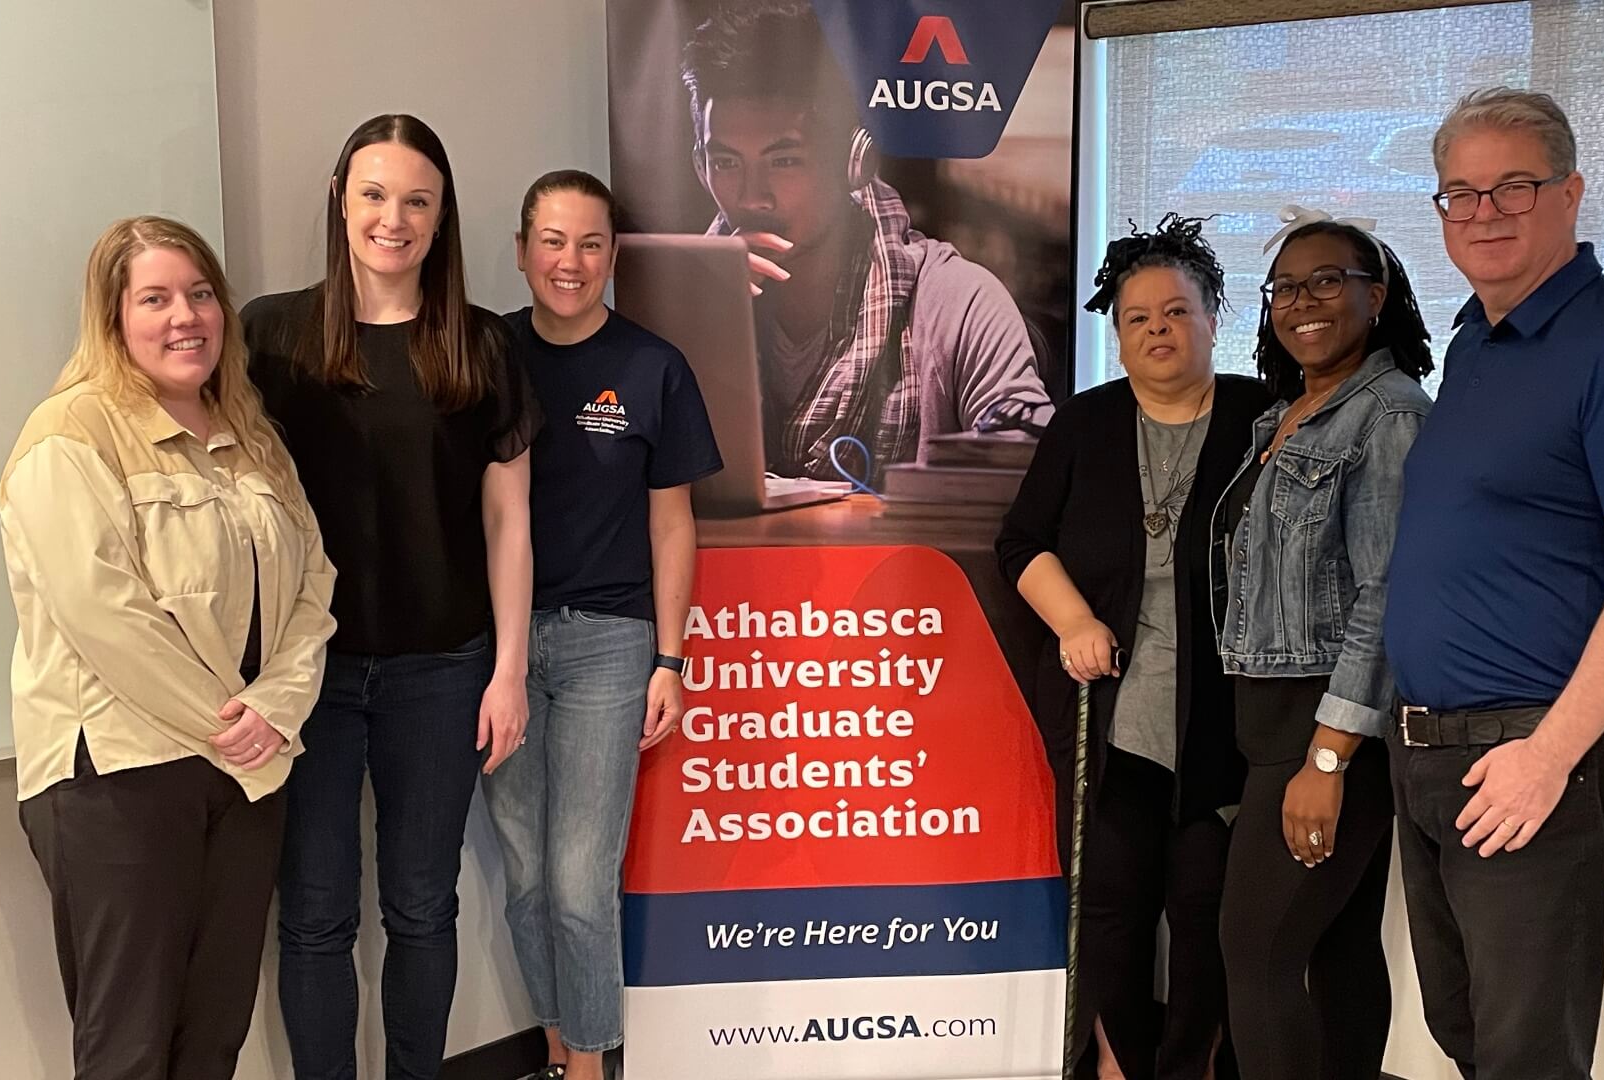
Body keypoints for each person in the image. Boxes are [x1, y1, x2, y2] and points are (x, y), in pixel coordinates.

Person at [1383, 87, 1604, 1077]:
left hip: (1526, 768)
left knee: (1528, 1058)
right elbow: (1540, 538)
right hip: (1433, 755)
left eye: (1513, 187)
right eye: (1461, 193)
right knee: (1468, 1037)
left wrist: (1554, 749)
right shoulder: (1480, 342)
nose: (1485, 212)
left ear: (1571, 194)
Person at [0, 216, 335, 1079]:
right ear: (113, 319)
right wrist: (232, 723)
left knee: (211, 1036)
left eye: (199, 294)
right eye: (154, 299)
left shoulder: (249, 433)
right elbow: (102, 612)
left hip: (245, 769)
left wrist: (275, 709)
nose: (184, 316)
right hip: (120, 773)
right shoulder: (68, 434)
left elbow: (313, 586)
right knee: (130, 1049)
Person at [242, 114, 541, 1080]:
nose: (393, 218)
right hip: (307, 679)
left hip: (443, 670)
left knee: (423, 907)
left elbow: (509, 524)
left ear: (443, 216)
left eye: (417, 200)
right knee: (317, 915)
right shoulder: (271, 336)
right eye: (374, 193)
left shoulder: (484, 345)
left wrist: (509, 673)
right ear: (341, 200)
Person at [998, 214, 1268, 1080]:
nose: (1158, 329)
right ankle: (1114, 1063)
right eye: (1138, 316)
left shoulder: (1263, 420)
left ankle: (1190, 1064)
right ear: (1116, 335)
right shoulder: (1084, 424)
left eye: (1177, 311)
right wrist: (1075, 621)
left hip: (1225, 729)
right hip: (1104, 718)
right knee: (1110, 910)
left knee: (1205, 914)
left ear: (1213, 318)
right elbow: (1021, 544)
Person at [482, 169, 722, 1080]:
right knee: (529, 880)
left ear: (614, 257)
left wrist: (671, 658)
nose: (569, 262)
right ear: (520, 250)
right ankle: (559, 1041)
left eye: (589, 244)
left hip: (609, 645)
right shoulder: (486, 354)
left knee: (581, 884)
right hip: (498, 648)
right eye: (551, 241)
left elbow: (674, 522)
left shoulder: (653, 367)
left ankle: (589, 1068)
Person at [1212, 211, 1434, 1079]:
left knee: (1256, 956)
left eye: (1327, 281)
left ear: (1375, 296)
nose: (1303, 302)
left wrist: (1331, 756)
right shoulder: (1286, 415)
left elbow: (1390, 592)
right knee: (1336, 950)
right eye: (1286, 288)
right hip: (1274, 722)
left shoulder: (1388, 415)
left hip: (1327, 727)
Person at [680, 0, 1053, 478]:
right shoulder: (684, 310)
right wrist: (699, 331)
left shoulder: (957, 303)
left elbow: (1034, 476)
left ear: (853, 161)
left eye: (784, 160)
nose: (755, 198)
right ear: (699, 166)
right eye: (727, 162)